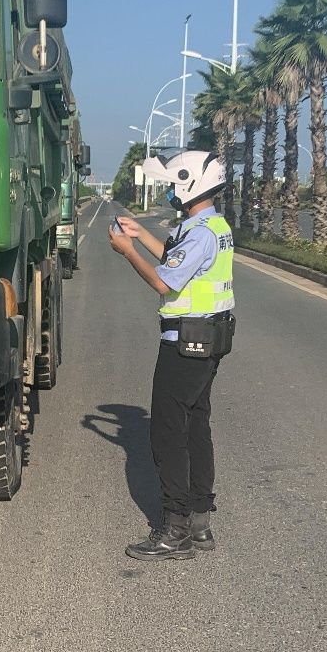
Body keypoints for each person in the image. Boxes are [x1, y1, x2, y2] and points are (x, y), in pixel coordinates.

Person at [106, 150, 235, 561]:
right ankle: (199, 524)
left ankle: (174, 529)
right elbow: (179, 262)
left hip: (187, 341)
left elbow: (165, 282)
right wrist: (142, 235)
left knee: (168, 432)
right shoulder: (207, 226)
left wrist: (128, 251)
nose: (169, 189)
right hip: (207, 338)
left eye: (173, 182)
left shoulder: (200, 232)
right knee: (196, 425)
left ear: (189, 182)